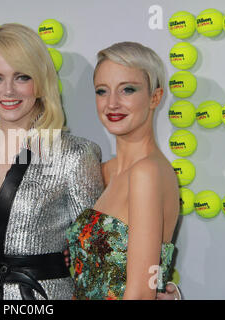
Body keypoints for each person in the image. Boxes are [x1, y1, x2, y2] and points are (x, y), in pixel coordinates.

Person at [0, 23, 105, 300]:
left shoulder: (74, 154)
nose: (8, 91)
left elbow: (96, 257)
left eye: (22, 77)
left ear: (41, 81)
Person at [66, 42, 180, 300]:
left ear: (155, 97)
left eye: (128, 89)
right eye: (102, 91)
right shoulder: (104, 170)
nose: (112, 103)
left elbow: (140, 293)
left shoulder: (147, 173)